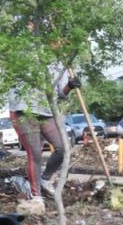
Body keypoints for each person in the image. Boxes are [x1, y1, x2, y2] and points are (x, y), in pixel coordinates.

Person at [7, 71, 79, 211]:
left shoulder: (60, 65)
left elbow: (61, 94)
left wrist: (69, 86)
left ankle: (45, 179)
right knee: (35, 153)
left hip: (47, 112)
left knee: (63, 147)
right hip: (23, 111)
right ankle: (36, 196)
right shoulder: (27, 51)